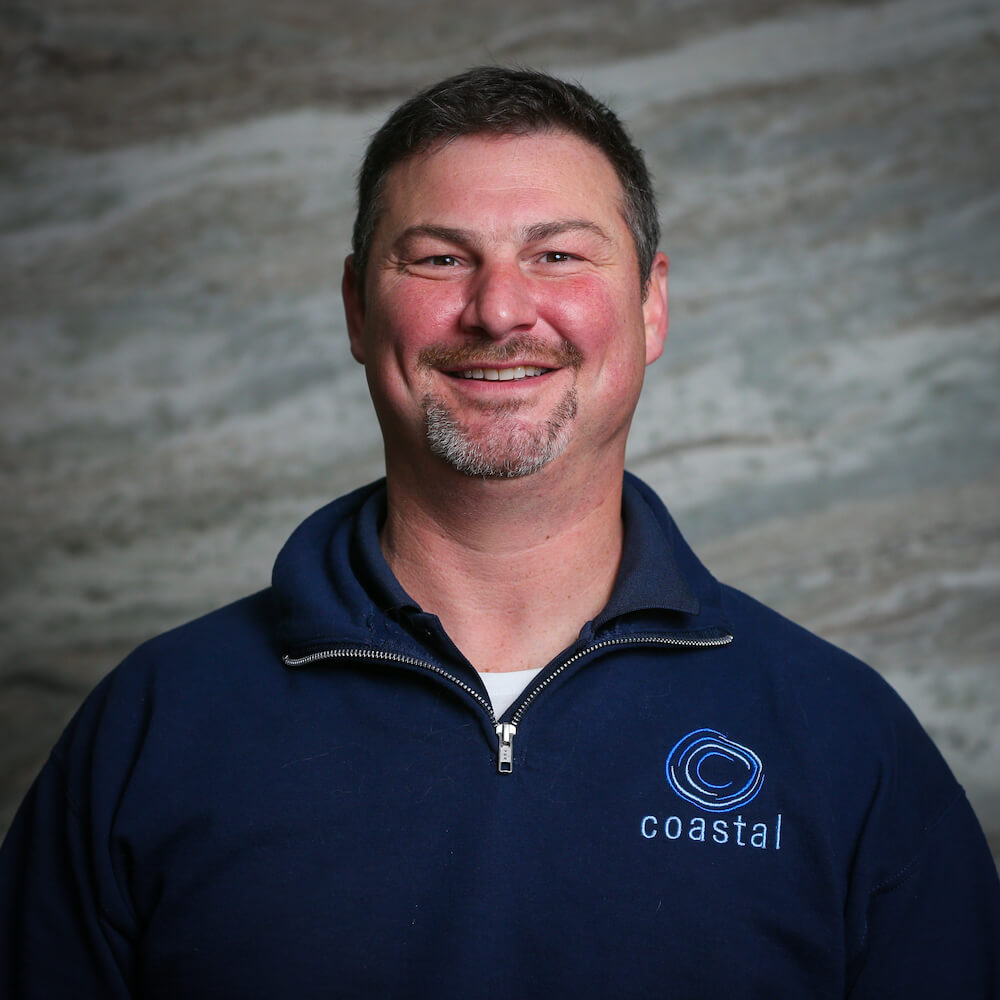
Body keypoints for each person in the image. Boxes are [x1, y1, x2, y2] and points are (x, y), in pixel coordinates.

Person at [1, 66, 998, 999]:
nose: (499, 310)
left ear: (651, 305)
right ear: (356, 309)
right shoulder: (158, 723)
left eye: (556, 255)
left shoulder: (840, 737)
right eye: (440, 258)